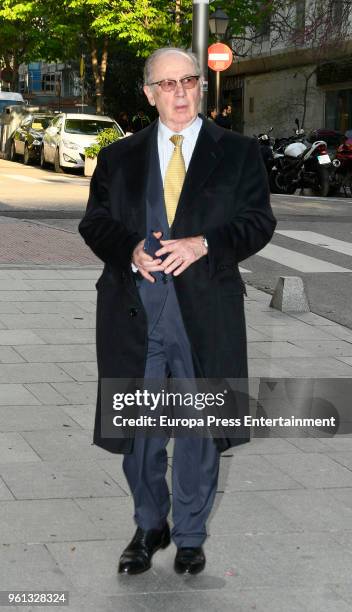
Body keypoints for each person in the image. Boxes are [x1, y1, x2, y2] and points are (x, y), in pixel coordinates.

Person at [78, 47, 276, 577]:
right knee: (139, 435)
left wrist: (205, 243)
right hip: (134, 314)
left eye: (189, 80)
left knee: (199, 428)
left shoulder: (235, 152)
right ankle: (150, 524)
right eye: (167, 84)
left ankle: (190, 534)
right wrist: (129, 249)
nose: (181, 92)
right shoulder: (120, 156)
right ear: (149, 94)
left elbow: (258, 222)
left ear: (201, 87)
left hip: (204, 314)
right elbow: (94, 222)